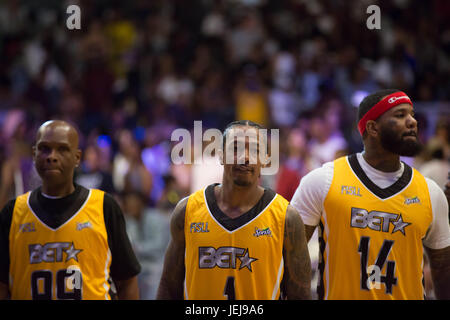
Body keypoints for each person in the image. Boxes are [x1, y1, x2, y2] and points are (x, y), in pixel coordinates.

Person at [291, 89, 450, 300]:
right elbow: (289, 256)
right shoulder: (322, 181)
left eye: (411, 114)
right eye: (400, 115)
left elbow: (443, 271)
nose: (412, 121)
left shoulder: (430, 192)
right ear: (372, 128)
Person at [157, 120, 311, 300]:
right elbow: (168, 286)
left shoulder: (286, 217)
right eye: (235, 148)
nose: (244, 157)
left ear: (266, 159)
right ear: (221, 156)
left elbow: (300, 296)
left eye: (254, 150)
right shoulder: (187, 210)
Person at [0, 120, 141, 300]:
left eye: (62, 149)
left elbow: (127, 281)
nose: (52, 156)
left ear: (77, 157)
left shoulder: (104, 206)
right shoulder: (13, 213)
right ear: (34, 154)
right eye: (44, 149)